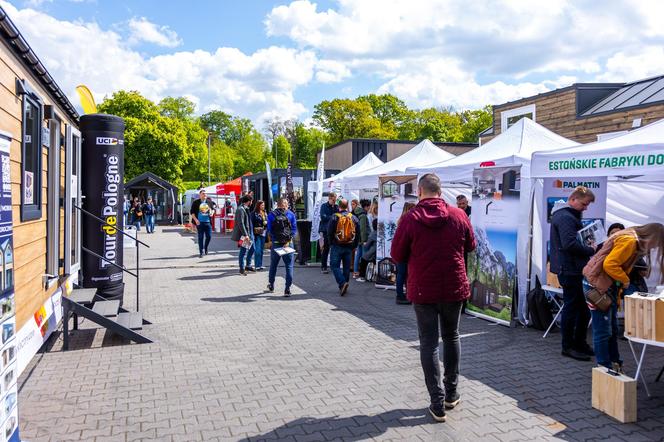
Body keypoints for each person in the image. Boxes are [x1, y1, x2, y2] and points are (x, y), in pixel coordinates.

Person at [391, 173, 476, 423]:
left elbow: (397, 255)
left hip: (423, 290)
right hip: (453, 286)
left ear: (419, 191)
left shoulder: (410, 219)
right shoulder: (459, 215)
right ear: (441, 192)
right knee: (451, 336)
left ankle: (437, 402)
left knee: (429, 343)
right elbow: (471, 245)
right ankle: (451, 393)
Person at [584, 223, 664, 371]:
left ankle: (613, 363)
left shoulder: (630, 237)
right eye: (656, 244)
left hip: (603, 285)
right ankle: (604, 367)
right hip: (599, 287)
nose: (654, 248)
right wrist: (625, 280)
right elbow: (610, 264)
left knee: (611, 328)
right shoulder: (630, 241)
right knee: (603, 330)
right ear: (652, 237)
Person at [550, 186, 597, 361]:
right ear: (573, 200)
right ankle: (568, 346)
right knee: (572, 308)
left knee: (583, 309)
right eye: (584, 204)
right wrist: (590, 249)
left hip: (573, 268)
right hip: (570, 270)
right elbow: (569, 244)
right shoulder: (565, 217)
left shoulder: (566, 215)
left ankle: (579, 343)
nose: (585, 208)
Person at [327, 199, 360, 296]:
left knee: (334, 266)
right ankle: (344, 284)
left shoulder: (334, 217)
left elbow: (329, 232)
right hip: (349, 245)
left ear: (339, 206)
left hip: (337, 245)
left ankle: (342, 283)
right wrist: (354, 245)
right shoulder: (353, 217)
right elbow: (358, 233)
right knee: (346, 267)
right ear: (347, 206)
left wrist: (330, 244)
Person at [267, 197, 298, 297]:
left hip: (276, 243)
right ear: (285, 204)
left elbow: (269, 229)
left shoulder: (271, 215)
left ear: (277, 204)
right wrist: (288, 240)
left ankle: (271, 285)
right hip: (287, 244)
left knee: (273, 265)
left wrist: (273, 239)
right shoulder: (291, 214)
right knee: (289, 266)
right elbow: (294, 229)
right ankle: (287, 289)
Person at [395, 202, 417, 305]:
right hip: (405, 252)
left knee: (402, 274)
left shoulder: (401, 220)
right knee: (404, 274)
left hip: (401, 252)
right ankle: (402, 295)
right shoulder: (408, 220)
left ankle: (402, 295)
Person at [231, 195, 255, 275]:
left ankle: (248, 265)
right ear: (248, 201)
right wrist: (246, 235)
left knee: (252, 249)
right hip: (245, 234)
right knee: (243, 251)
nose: (252, 203)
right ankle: (241, 268)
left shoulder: (245, 208)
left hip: (249, 232)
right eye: (251, 201)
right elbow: (241, 223)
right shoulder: (240, 209)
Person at [190, 189, 217, 258]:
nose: (205, 195)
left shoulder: (209, 202)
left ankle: (206, 247)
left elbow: (213, 209)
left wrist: (212, 213)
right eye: (203, 194)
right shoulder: (196, 202)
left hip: (208, 222)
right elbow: (192, 212)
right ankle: (201, 252)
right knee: (200, 237)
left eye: (205, 194)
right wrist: (196, 220)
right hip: (199, 223)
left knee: (209, 237)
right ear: (200, 195)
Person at [318, 192, 339, 274]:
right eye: (333, 200)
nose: (334, 201)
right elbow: (323, 217)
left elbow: (339, 217)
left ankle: (333, 266)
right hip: (326, 230)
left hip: (334, 231)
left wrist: (334, 216)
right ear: (329, 199)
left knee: (334, 249)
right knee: (326, 248)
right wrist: (334, 216)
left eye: (335, 200)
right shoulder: (324, 206)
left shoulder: (336, 207)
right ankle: (323, 266)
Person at [353, 199, 370, 280]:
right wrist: (364, 241)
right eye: (369, 206)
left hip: (358, 238)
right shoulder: (363, 215)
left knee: (358, 255)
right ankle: (362, 272)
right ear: (366, 207)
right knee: (363, 256)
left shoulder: (357, 213)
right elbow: (363, 229)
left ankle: (356, 271)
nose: (369, 208)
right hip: (362, 239)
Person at [251, 200, 268, 271]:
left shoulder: (265, 213)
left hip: (263, 232)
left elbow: (267, 222)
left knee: (261, 250)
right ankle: (257, 265)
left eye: (264, 205)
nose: (263, 206)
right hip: (257, 233)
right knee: (257, 250)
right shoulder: (254, 213)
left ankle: (260, 265)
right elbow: (251, 223)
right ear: (258, 205)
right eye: (262, 205)